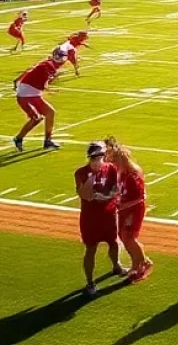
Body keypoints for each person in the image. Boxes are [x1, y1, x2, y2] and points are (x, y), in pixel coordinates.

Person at [76, 141, 126, 295]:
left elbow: (115, 188)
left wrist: (106, 196)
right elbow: (82, 193)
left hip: (109, 214)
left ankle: (116, 265)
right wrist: (93, 196)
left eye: (99, 157)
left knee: (114, 242)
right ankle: (90, 282)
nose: (97, 161)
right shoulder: (80, 173)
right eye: (94, 158)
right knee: (91, 248)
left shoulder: (110, 168)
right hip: (90, 217)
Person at [106, 138, 152, 282]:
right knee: (123, 236)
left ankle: (141, 264)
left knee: (129, 237)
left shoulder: (132, 174)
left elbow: (138, 198)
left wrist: (121, 206)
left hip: (133, 209)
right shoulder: (119, 171)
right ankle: (139, 262)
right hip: (125, 207)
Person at [12, 49, 65, 151]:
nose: (61, 59)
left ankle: (48, 141)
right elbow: (42, 80)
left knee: (50, 112)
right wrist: (49, 85)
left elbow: (42, 81)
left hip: (34, 94)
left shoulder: (49, 65)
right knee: (36, 118)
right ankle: (18, 138)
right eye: (59, 56)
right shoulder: (48, 65)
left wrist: (48, 88)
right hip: (25, 95)